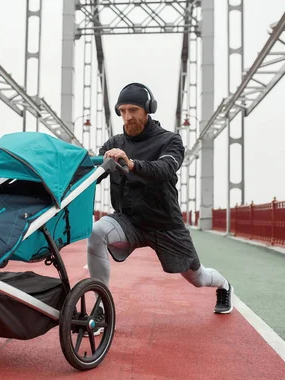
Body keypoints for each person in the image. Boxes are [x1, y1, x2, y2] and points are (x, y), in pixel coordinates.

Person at [87, 82, 233, 330]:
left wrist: (131, 164)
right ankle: (100, 307)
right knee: (97, 232)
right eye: (122, 111)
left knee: (198, 278)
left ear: (148, 110)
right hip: (129, 221)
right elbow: (93, 173)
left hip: (166, 225)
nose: (127, 116)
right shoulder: (114, 142)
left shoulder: (170, 141)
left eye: (133, 109)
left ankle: (224, 286)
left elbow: (165, 169)